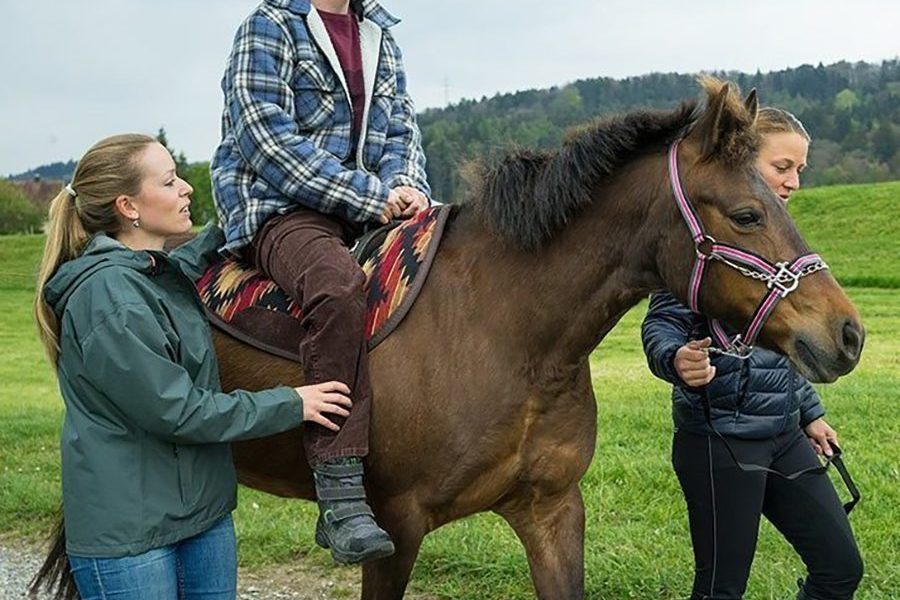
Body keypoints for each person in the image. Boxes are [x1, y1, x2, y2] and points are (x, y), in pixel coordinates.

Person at [33, 134, 354, 599]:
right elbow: (179, 412)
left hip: (201, 519)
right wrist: (292, 403)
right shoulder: (109, 299)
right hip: (131, 540)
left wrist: (244, 215)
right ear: (129, 206)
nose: (186, 188)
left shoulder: (150, 273)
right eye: (169, 181)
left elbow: (186, 260)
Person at [210, 0, 431, 563]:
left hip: (367, 209)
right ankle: (338, 490)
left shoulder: (379, 32)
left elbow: (402, 129)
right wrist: (373, 197)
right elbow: (269, 142)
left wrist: (407, 188)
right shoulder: (269, 26)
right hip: (280, 209)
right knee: (335, 285)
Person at [641, 109, 863, 600]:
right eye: (783, 166)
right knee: (721, 591)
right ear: (743, 164)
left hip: (783, 435)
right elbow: (661, 323)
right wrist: (676, 358)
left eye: (800, 170)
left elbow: (784, 341)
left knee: (840, 567)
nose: (794, 181)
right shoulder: (710, 240)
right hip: (720, 440)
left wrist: (809, 413)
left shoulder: (777, 239)